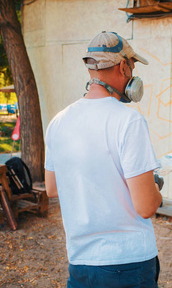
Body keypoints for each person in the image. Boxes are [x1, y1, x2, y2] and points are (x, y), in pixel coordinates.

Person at [44, 31, 163, 287]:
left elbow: (52, 189)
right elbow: (146, 207)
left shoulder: (58, 122)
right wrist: (155, 189)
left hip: (80, 264)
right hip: (128, 263)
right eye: (132, 66)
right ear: (123, 66)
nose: (133, 74)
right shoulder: (128, 121)